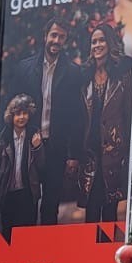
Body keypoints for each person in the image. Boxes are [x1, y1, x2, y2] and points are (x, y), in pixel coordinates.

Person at [16, 16, 86, 225]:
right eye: (54, 35)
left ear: (65, 40)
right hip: (29, 145)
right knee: (27, 201)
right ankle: (27, 243)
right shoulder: (25, 68)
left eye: (61, 37)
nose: (56, 40)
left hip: (57, 148)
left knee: (50, 205)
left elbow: (76, 117)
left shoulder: (74, 72)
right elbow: (14, 107)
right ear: (45, 36)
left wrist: (73, 155)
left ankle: (47, 244)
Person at [82, 21, 132, 223]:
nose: (97, 45)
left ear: (110, 43)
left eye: (101, 40)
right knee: (91, 209)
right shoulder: (85, 76)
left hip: (114, 151)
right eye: (93, 42)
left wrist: (127, 149)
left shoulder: (122, 74)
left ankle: (108, 244)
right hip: (90, 152)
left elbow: (128, 113)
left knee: (110, 208)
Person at [0, 94, 40, 237]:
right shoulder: (4, 138)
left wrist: (38, 148)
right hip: (8, 194)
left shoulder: (34, 135)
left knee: (26, 236)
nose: (21, 117)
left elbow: (42, 167)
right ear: (11, 116)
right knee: (7, 234)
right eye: (17, 114)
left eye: (25, 113)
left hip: (28, 194)